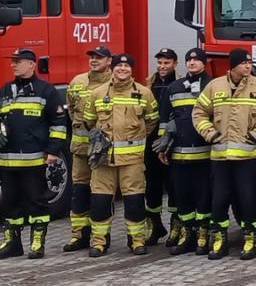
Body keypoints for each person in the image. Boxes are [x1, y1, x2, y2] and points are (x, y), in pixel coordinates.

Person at [0, 48, 68, 260]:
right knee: (10, 203)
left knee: (37, 201)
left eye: (18, 61)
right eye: (12, 61)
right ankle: (12, 244)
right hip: (8, 161)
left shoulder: (46, 90)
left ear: (32, 64)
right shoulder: (3, 91)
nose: (13, 65)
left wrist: (53, 150)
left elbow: (58, 123)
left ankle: (37, 243)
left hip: (34, 159)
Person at [193, 47, 256, 260]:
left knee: (248, 199)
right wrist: (210, 134)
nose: (248, 66)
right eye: (244, 63)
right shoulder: (215, 86)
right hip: (220, 158)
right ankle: (219, 238)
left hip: (246, 157)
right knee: (219, 200)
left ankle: (251, 238)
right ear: (233, 65)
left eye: (250, 63)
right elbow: (199, 112)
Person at [79, 53, 160, 256]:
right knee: (100, 203)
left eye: (126, 66)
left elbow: (151, 121)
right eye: (118, 66)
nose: (122, 69)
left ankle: (136, 240)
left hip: (132, 161)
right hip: (103, 160)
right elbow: (89, 122)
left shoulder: (144, 93)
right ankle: (98, 242)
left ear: (131, 69)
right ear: (112, 68)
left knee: (134, 202)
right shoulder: (97, 94)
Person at [163, 48, 214, 255]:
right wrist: (164, 144)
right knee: (182, 197)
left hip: (205, 155)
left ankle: (203, 235)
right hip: (179, 156)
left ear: (204, 63)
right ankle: (187, 235)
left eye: (196, 60)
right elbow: (165, 119)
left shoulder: (213, 86)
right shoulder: (174, 87)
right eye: (189, 60)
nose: (192, 63)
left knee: (204, 196)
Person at [62, 45, 113, 252]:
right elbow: (72, 111)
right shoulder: (77, 82)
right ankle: (79, 236)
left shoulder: (114, 83)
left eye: (99, 57)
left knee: (101, 195)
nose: (94, 60)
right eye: (92, 57)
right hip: (80, 149)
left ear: (109, 61)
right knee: (79, 192)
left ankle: (101, 237)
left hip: (102, 152)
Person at [145, 47, 180, 246]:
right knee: (152, 186)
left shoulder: (180, 84)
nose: (162, 67)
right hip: (151, 143)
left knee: (173, 186)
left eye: (166, 63)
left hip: (172, 143)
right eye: (159, 63)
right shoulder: (149, 85)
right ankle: (155, 225)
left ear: (175, 64)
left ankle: (176, 225)